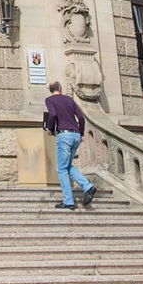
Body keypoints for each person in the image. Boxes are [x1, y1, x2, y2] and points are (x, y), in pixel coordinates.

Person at [43, 80, 96, 210]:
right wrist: (82, 133)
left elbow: (53, 114)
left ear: (51, 90)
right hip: (76, 135)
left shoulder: (49, 100)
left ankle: (68, 201)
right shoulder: (69, 99)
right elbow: (81, 117)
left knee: (61, 169)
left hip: (64, 135)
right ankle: (88, 187)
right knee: (67, 166)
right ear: (60, 88)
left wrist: (50, 129)